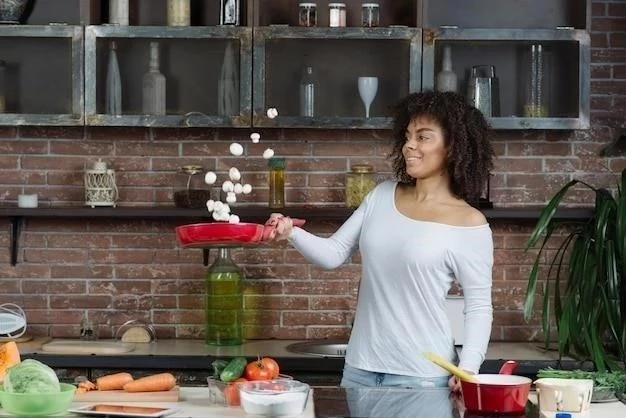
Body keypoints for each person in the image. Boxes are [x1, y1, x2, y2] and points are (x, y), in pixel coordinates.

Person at [265, 90, 495, 392]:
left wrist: (468, 368)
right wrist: (290, 232)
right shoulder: (382, 195)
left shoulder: (470, 223)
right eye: (408, 135)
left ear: (453, 147)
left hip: (423, 377)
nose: (409, 146)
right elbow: (334, 253)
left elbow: (479, 306)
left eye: (423, 137)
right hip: (360, 371)